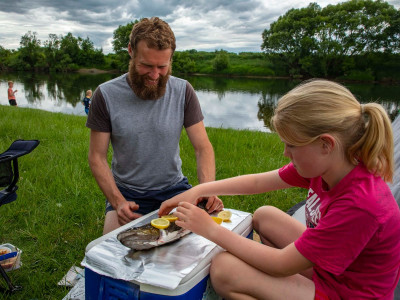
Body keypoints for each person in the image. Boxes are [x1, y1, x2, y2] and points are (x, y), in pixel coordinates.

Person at [159, 79, 400, 299]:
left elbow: (281, 264)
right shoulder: (331, 165)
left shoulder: (361, 204)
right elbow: (256, 183)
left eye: (292, 145)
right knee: (265, 215)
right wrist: (198, 190)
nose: (286, 153)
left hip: (348, 293)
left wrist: (210, 229)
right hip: (332, 270)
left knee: (224, 270)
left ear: (326, 144)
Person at [86, 17, 222, 235]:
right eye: (146, 65)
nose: (155, 75)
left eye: (162, 67)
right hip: (127, 193)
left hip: (175, 190)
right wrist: (118, 202)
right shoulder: (105, 94)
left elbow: (202, 147)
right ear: (131, 50)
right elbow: (97, 157)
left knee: (208, 242)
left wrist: (207, 189)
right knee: (113, 252)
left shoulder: (183, 91)